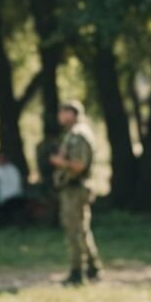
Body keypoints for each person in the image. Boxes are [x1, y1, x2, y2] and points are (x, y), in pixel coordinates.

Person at [49, 100, 101, 285]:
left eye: (63, 112)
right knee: (83, 230)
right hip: (76, 188)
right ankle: (94, 267)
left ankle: (77, 272)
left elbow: (79, 165)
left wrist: (58, 162)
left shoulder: (78, 135)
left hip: (75, 188)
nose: (60, 116)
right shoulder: (76, 133)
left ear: (72, 113)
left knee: (75, 231)